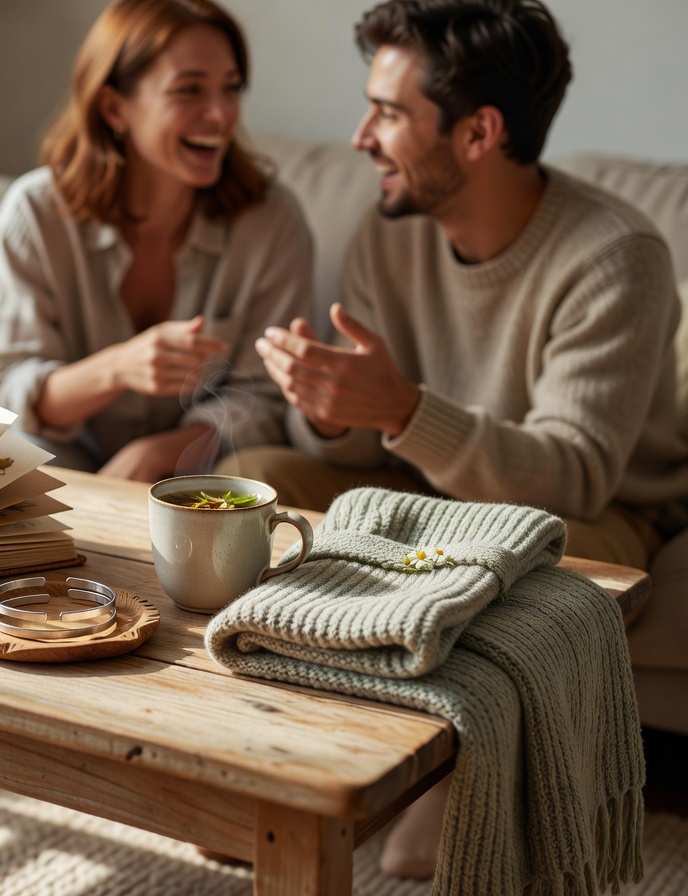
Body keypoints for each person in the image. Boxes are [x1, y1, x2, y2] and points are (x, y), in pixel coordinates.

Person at [217, 0, 688, 878]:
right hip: (426, 496)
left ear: (479, 133)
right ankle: (249, 751)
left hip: (597, 516)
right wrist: (330, 408)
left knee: (504, 563)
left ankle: (453, 781)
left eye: (389, 113)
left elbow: (577, 476)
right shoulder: (389, 233)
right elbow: (361, 456)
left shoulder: (617, 253)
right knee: (248, 482)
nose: (361, 136)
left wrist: (400, 411)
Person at [0, 0, 313, 484]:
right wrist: (118, 369)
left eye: (231, 89)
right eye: (189, 90)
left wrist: (162, 452)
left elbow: (268, 398)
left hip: (199, 468)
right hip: (63, 456)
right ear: (114, 107)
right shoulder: (36, 215)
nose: (221, 114)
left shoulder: (271, 221)